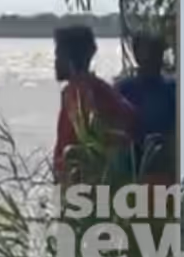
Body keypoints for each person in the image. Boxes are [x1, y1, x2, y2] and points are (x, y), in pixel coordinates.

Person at [53, 25, 134, 185]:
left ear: (68, 58)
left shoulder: (79, 92)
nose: (55, 62)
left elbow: (82, 142)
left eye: (57, 55)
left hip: (84, 185)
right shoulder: (101, 89)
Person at [115, 33, 177, 187]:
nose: (152, 59)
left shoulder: (172, 88)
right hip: (131, 164)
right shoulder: (124, 89)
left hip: (164, 164)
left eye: (156, 53)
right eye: (146, 53)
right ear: (137, 56)